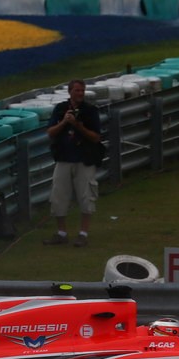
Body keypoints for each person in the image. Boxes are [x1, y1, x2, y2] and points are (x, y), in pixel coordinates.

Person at [43, 78, 102, 247]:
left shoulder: (90, 111)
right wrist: (64, 122)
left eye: (82, 91)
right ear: (70, 91)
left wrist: (78, 125)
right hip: (63, 159)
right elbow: (50, 132)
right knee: (58, 196)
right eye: (77, 90)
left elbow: (96, 137)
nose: (80, 93)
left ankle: (83, 233)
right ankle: (61, 233)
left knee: (86, 196)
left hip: (84, 159)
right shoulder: (61, 109)